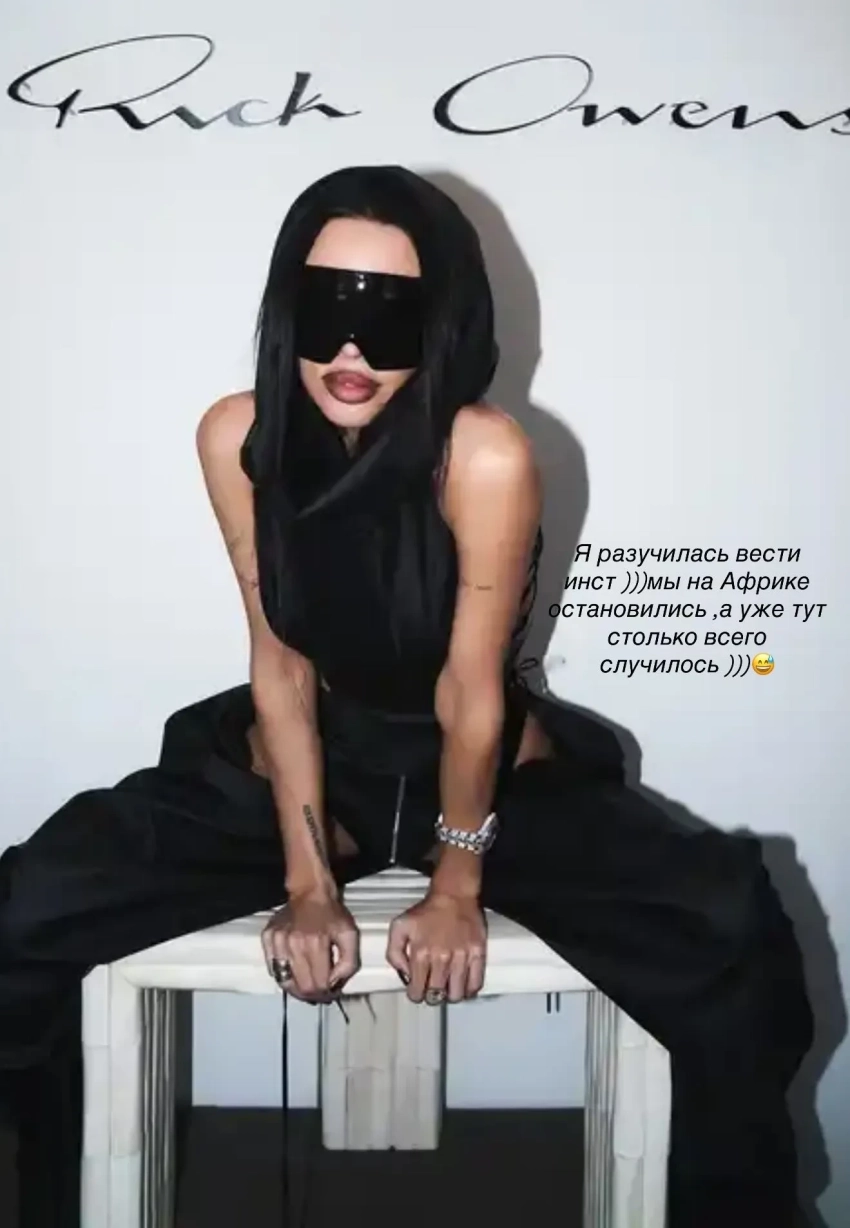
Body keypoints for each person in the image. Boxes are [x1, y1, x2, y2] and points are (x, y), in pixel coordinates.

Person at [0, 164, 813, 1228]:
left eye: (387, 319)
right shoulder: (237, 435)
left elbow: (471, 692)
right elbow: (279, 662)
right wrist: (306, 880)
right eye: (326, 310)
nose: (350, 352)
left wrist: (458, 883)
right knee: (31, 905)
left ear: (438, 324)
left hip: (479, 773)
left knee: (726, 923)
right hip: (306, 759)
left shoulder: (485, 454)